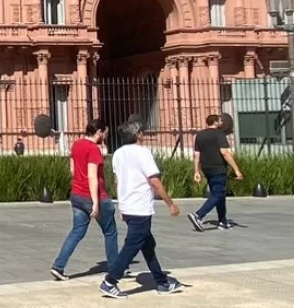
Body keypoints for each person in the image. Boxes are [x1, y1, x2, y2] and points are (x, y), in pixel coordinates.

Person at [100, 120, 183, 299]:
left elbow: (117, 182)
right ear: (137, 134)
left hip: (129, 206)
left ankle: (161, 281)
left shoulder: (118, 154)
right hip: (140, 207)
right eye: (142, 131)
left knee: (147, 245)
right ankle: (110, 281)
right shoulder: (143, 153)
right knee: (132, 246)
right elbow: (154, 181)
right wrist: (170, 203)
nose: (143, 133)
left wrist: (121, 205)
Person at [51, 119, 129, 282]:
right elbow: (93, 176)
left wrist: (80, 182)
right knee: (110, 232)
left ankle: (58, 266)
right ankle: (115, 267)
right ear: (99, 131)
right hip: (95, 196)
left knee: (77, 231)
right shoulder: (94, 150)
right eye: (105, 133)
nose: (106, 136)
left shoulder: (76, 144)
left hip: (77, 195)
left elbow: (72, 170)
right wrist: (95, 202)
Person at [188, 114, 243, 232]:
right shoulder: (219, 134)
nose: (222, 122)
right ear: (216, 122)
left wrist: (196, 171)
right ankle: (198, 215)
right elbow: (225, 153)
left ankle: (222, 221)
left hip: (206, 168)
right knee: (218, 194)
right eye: (220, 120)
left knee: (219, 194)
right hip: (218, 168)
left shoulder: (200, 135)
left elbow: (196, 154)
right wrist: (236, 169)